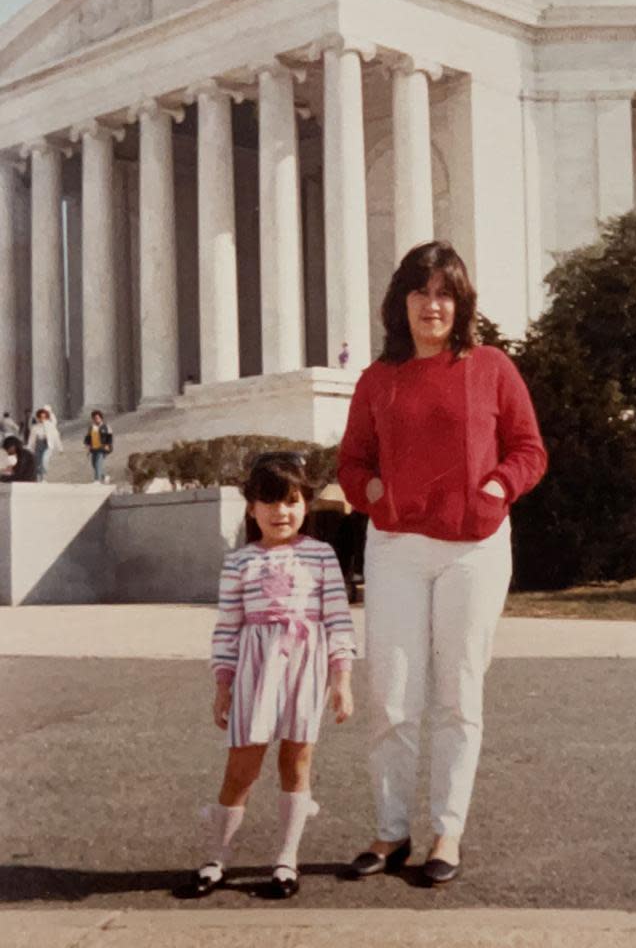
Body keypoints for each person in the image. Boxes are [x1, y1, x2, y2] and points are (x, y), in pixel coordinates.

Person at [338, 240, 547, 886]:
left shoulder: (490, 368)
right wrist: (372, 493)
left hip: (473, 550)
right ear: (399, 303)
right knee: (390, 696)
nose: (432, 305)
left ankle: (445, 830)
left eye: (444, 294)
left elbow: (528, 449)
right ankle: (390, 829)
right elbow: (351, 462)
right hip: (397, 548)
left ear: (460, 306)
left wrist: (495, 488)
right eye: (420, 292)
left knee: (458, 693)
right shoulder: (378, 379)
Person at [179, 453, 356, 901]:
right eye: (270, 503)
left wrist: (341, 678)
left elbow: (337, 618)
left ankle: (286, 860)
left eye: (293, 501)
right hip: (255, 672)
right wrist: (223, 684)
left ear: (306, 505)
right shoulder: (239, 562)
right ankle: (217, 857)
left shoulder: (321, 556)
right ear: (252, 509)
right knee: (242, 767)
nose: (282, 512)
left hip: (305, 668)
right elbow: (228, 627)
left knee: (296, 762)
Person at [26, 407, 63, 482]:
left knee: (44, 461)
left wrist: (60, 448)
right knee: (37, 463)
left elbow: (56, 437)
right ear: (38, 418)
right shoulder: (35, 427)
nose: (43, 419)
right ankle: (39, 478)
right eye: (41, 417)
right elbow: (31, 439)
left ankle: (43, 478)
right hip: (38, 446)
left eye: (44, 417)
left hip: (47, 446)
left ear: (47, 417)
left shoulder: (51, 426)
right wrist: (28, 448)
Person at [83, 410, 113, 483]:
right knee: (94, 464)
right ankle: (105, 476)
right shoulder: (91, 427)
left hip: (102, 448)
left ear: (101, 418)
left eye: (97, 418)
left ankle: (97, 480)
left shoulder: (106, 426)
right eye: (94, 418)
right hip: (94, 449)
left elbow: (110, 437)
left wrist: (107, 445)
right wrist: (87, 446)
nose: (96, 419)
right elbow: (88, 438)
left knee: (98, 463)